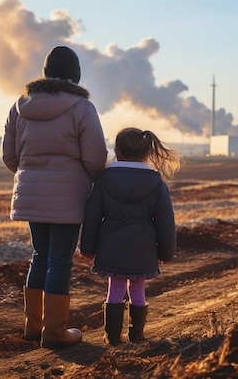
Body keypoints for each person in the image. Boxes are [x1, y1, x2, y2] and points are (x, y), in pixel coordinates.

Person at [2, 46, 107, 349]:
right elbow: (96, 157)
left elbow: (10, 156)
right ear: (75, 76)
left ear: (45, 73)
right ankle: (56, 332)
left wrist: (32, 176)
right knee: (60, 261)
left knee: (40, 256)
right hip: (68, 198)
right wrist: (90, 178)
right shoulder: (82, 107)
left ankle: (33, 327)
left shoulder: (19, 106)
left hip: (31, 196)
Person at [80, 127, 180, 345]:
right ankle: (137, 335)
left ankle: (112, 337)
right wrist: (166, 251)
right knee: (137, 287)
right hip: (143, 247)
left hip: (111, 244)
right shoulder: (156, 183)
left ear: (117, 152)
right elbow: (165, 220)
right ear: (146, 154)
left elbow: (92, 215)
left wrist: (87, 247)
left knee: (115, 286)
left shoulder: (104, 180)